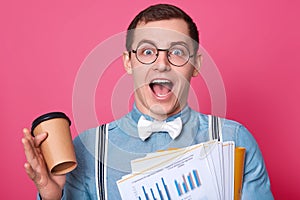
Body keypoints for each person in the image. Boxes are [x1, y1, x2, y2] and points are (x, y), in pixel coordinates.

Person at [22, 3, 274, 200]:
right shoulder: (88, 149)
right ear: (128, 62)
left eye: (177, 52)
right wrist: (52, 196)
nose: (162, 64)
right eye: (147, 52)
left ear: (195, 65)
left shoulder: (234, 138)